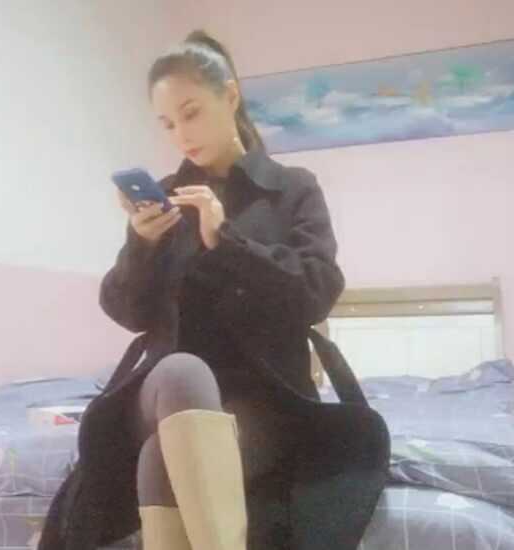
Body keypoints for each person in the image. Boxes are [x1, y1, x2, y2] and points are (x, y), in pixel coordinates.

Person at [40, 29, 390, 550]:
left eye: (191, 113)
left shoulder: (292, 189)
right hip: (165, 391)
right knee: (182, 371)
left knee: (161, 460)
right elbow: (128, 311)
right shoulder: (166, 200)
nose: (181, 134)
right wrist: (141, 245)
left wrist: (225, 241)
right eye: (167, 123)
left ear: (230, 96)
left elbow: (316, 294)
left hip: (262, 400)